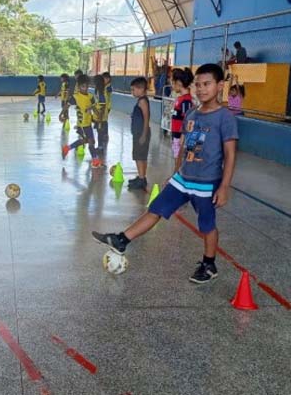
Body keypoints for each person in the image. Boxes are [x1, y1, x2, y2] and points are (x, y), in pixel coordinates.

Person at [92, 63, 238, 284]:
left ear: (219, 86)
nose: (201, 89)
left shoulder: (224, 117)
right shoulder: (192, 113)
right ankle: (122, 239)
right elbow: (186, 146)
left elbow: (230, 154)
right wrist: (176, 171)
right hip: (183, 178)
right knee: (155, 209)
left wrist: (224, 186)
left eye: (207, 84)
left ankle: (209, 264)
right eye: (198, 85)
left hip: (206, 183)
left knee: (207, 224)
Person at [62, 74, 102, 168]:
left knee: (84, 141)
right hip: (81, 124)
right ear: (79, 86)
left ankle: (67, 148)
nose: (86, 88)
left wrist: (97, 116)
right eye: (83, 86)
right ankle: (95, 161)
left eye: (87, 86)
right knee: (91, 141)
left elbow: (95, 108)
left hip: (88, 123)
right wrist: (61, 114)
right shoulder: (76, 97)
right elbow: (67, 105)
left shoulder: (91, 97)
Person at [128, 77, 150, 190]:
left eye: (133, 90)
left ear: (141, 89)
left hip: (141, 133)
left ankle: (142, 179)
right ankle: (141, 177)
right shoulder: (140, 101)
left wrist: (144, 134)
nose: (132, 92)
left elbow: (146, 118)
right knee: (138, 156)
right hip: (138, 133)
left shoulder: (142, 101)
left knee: (140, 156)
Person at [170, 68, 195, 160]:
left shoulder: (186, 100)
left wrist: (183, 137)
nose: (172, 85)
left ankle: (178, 174)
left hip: (180, 137)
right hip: (176, 135)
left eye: (173, 82)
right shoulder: (181, 99)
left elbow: (187, 120)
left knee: (179, 160)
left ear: (179, 83)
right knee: (177, 158)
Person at [93, 75, 108, 157]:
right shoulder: (98, 91)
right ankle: (100, 147)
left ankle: (100, 148)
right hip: (98, 115)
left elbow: (102, 106)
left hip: (100, 116)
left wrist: (100, 118)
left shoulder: (101, 92)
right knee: (99, 132)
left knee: (100, 132)